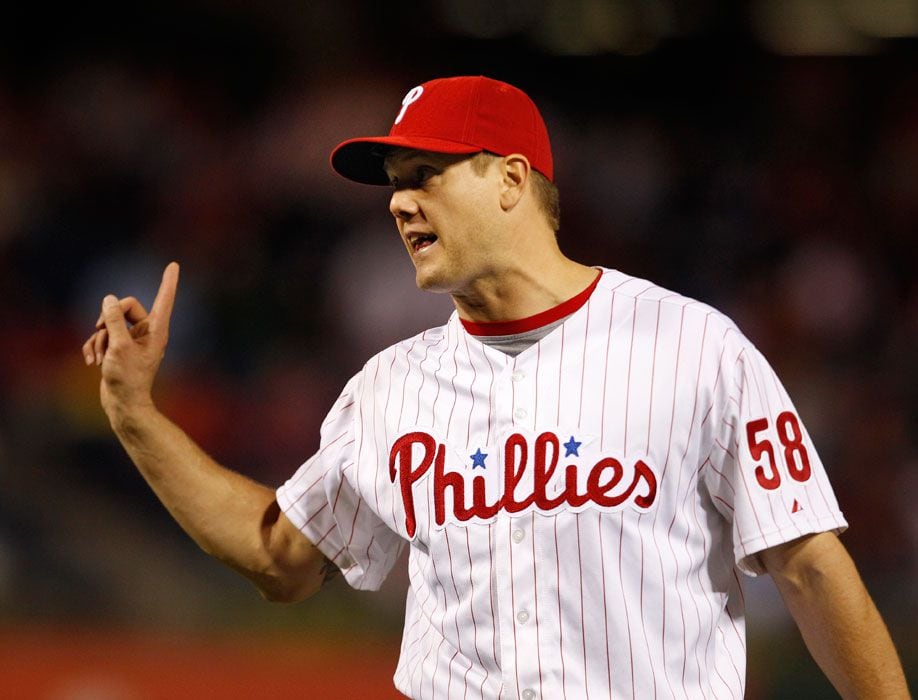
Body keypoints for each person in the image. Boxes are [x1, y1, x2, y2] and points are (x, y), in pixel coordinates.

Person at [82, 75, 910, 699]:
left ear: (512, 180)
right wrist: (134, 414)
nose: (400, 203)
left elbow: (810, 568)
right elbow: (278, 557)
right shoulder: (390, 389)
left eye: (426, 174)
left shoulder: (694, 348)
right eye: (395, 182)